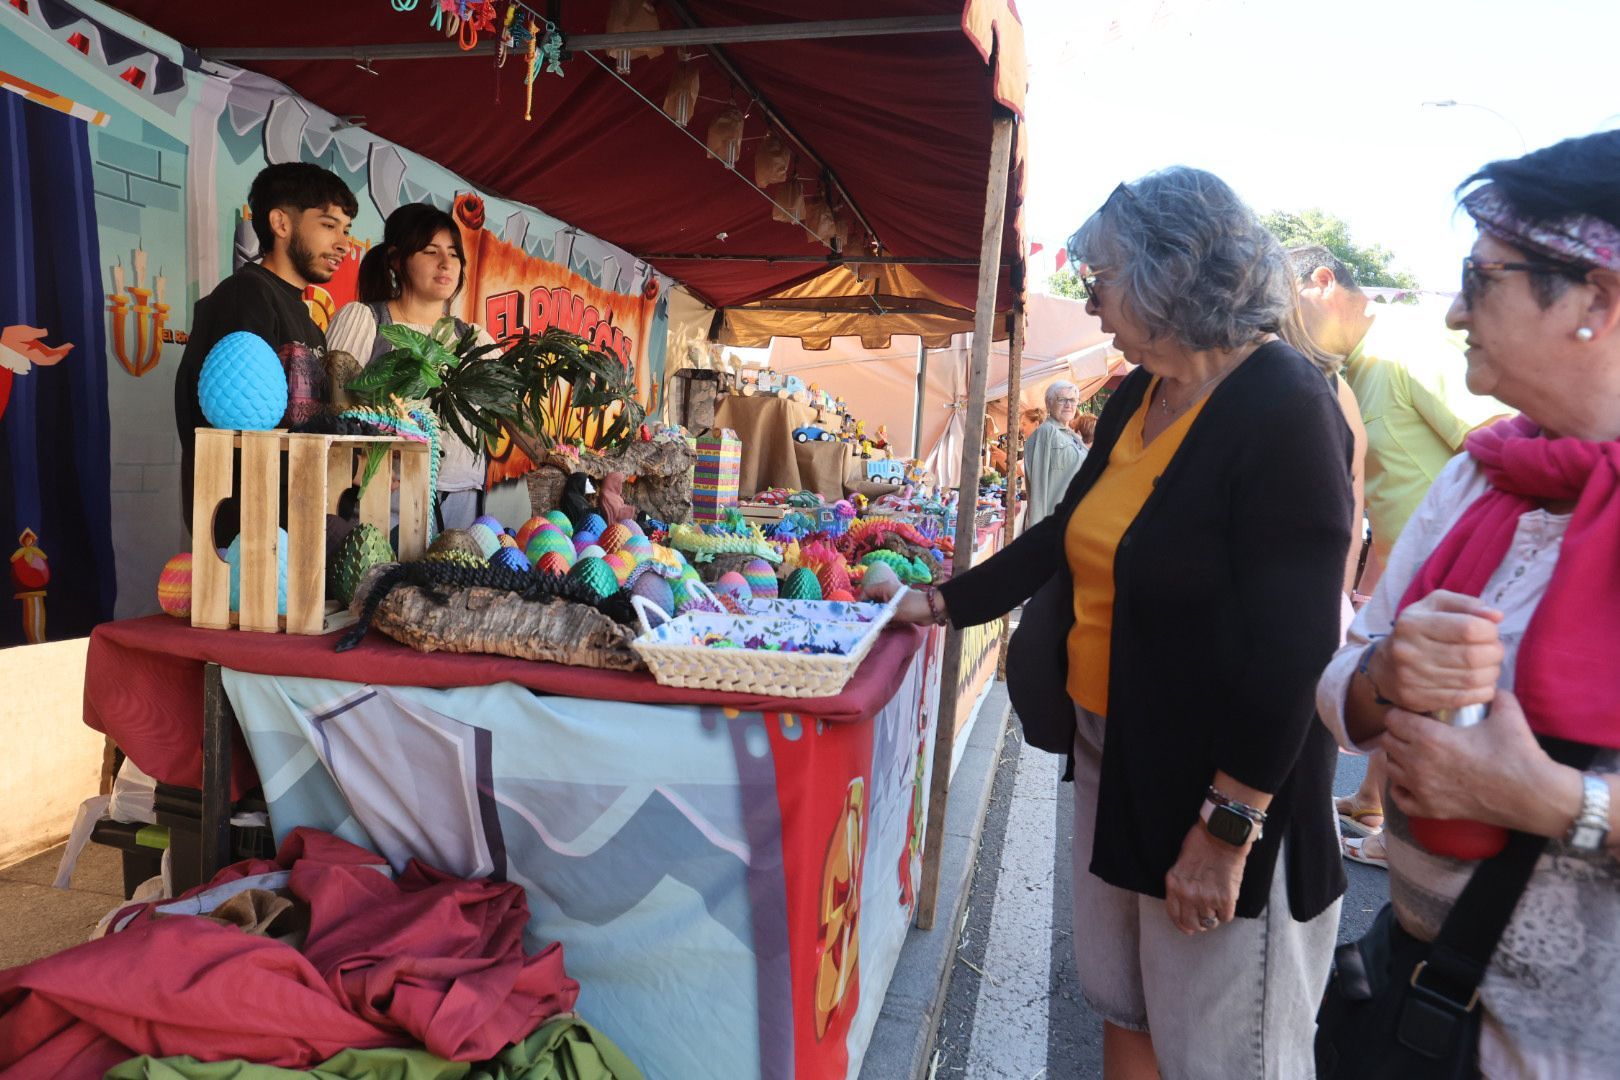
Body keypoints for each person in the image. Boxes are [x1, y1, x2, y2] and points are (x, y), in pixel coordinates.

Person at [872, 167, 1353, 1078]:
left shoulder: (1285, 405)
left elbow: (1294, 646)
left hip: (1218, 786)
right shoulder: (1142, 393)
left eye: (1099, 281)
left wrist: (1226, 832)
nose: (1090, 307)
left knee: (1221, 1046)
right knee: (1125, 1003)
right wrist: (941, 602)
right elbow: (1069, 530)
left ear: (1169, 277)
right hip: (1116, 751)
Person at [1317, 130, 1620, 1077]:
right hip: (1427, 1004)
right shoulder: (1484, 477)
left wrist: (1557, 803)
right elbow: (1341, 683)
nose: (1453, 311)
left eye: (1482, 279)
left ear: (1596, 301)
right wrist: (1384, 671)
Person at [1290, 248, 1508, 864]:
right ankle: (1380, 811)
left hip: (1464, 591)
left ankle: (1405, 837)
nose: (1285, 322)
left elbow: (1496, 444)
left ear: (1323, 282)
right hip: (1418, 583)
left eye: (1289, 302)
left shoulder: (1405, 345)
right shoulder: (1354, 369)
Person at [174, 163, 357, 529]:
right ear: (281, 223)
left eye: (346, 230)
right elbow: (234, 427)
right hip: (251, 525)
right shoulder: (247, 295)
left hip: (292, 515)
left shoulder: (307, 320)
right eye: (328, 225)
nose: (343, 244)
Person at [325, 203, 497, 531]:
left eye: (454, 253)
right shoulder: (366, 320)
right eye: (430, 251)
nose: (446, 263)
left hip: (463, 501)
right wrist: (353, 461)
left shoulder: (474, 339)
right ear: (395, 259)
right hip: (384, 498)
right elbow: (328, 410)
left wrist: (555, 454)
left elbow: (511, 410)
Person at [1021, 380, 1086, 525]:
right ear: (1049, 404)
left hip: (1074, 521)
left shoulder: (1072, 435)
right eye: (1062, 399)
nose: (1069, 405)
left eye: (1073, 400)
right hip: (1056, 524)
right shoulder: (1046, 432)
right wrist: (1037, 533)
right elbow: (1037, 487)